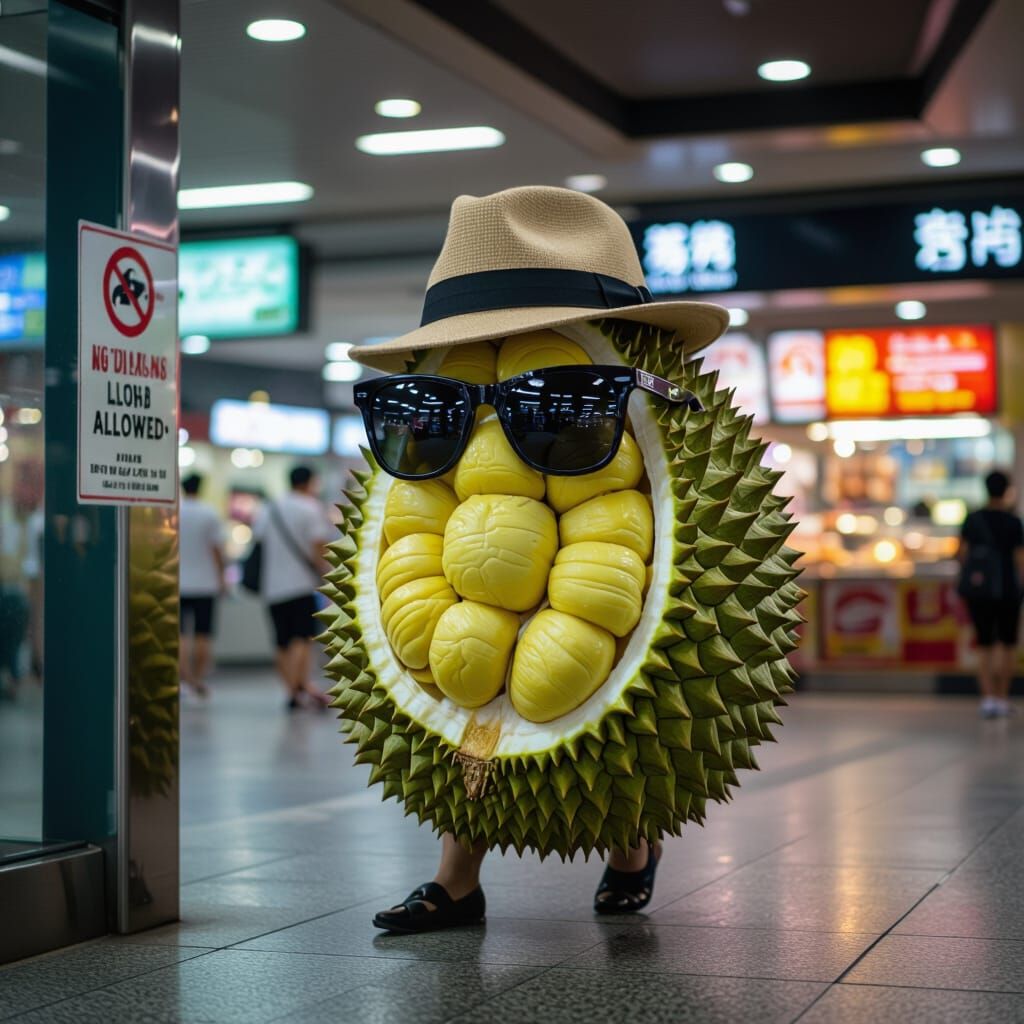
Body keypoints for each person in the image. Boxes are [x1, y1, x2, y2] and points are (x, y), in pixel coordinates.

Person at [254, 465, 332, 710]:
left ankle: (291, 692)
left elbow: (258, 539)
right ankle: (300, 686)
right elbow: (318, 547)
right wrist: (326, 575)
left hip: (272, 587)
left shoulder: (270, 508)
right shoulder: (310, 507)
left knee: (281, 641)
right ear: (308, 482)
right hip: (301, 585)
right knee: (302, 638)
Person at [959, 469, 1024, 718]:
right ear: (1007, 490)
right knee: (1007, 644)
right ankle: (1002, 697)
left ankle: (987, 698)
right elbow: (1020, 559)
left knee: (984, 643)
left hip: (979, 590)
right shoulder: (1013, 522)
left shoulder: (973, 519)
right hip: (1008, 590)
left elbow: (962, 553)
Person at [179, 473, 226, 698]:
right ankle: (198, 679)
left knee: (180, 635)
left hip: (179, 583)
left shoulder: (175, 511)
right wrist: (222, 577)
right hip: (206, 584)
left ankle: (184, 679)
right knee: (203, 634)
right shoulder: (210, 513)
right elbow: (217, 550)